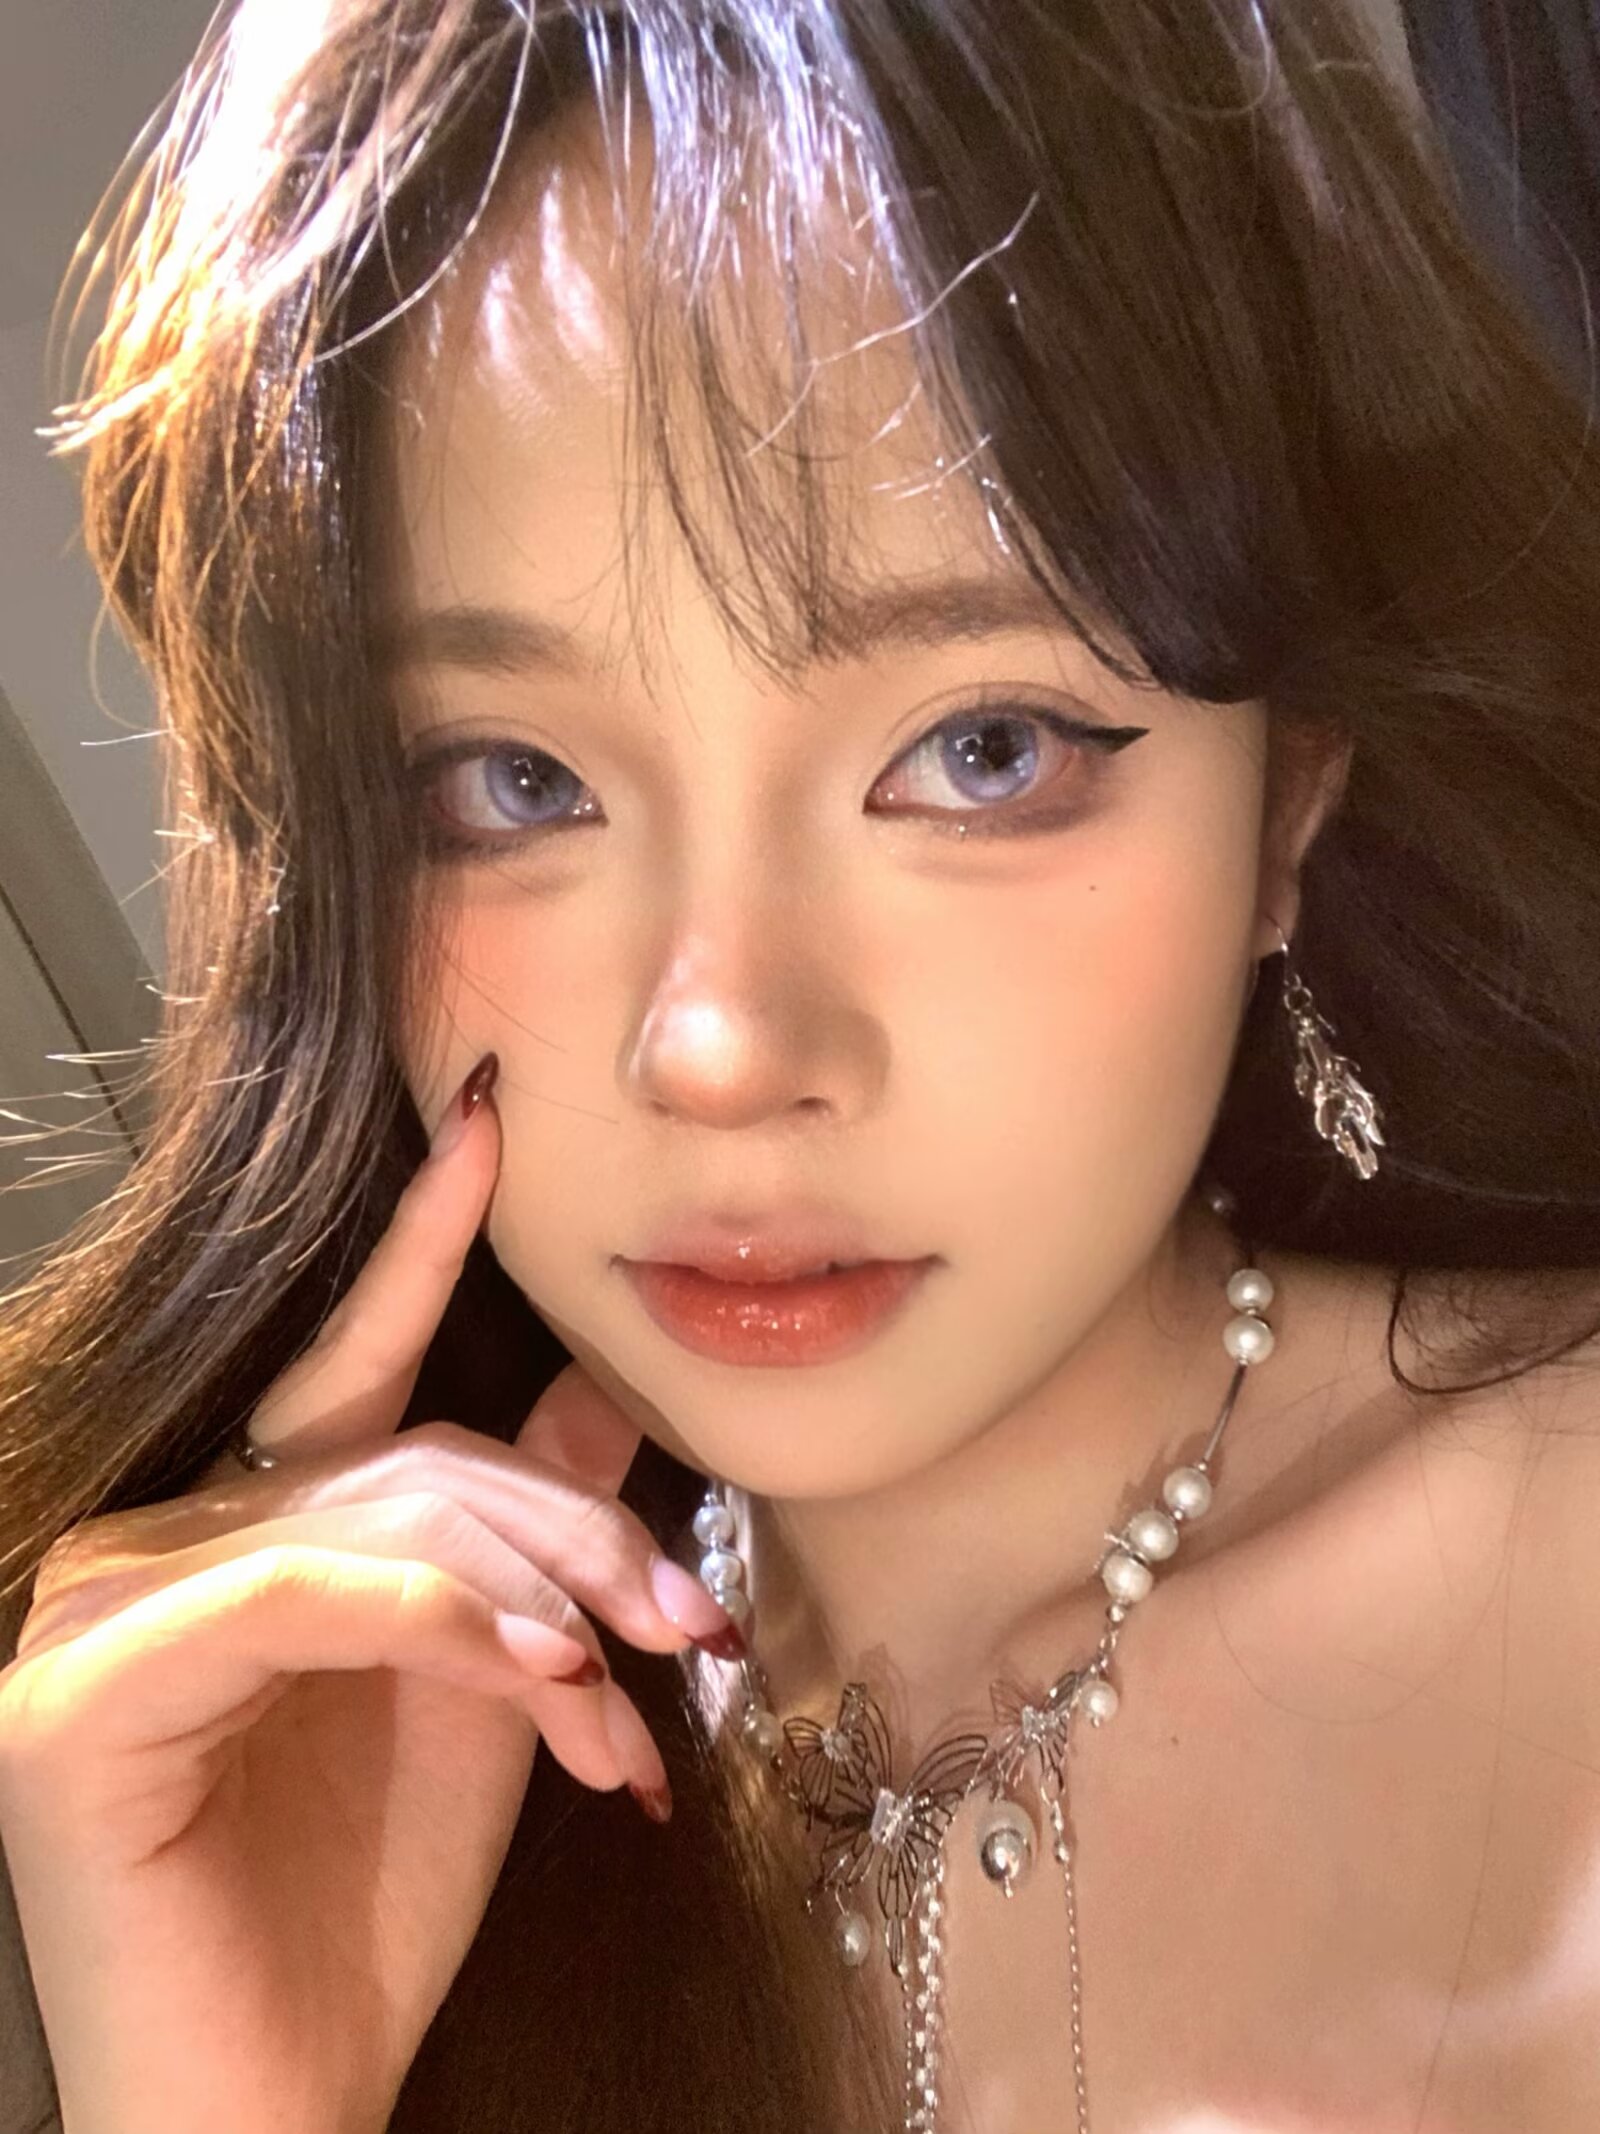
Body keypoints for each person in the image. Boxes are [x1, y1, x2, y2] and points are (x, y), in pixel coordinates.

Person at [2, 1, 1599, 2129]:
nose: (722, 1048)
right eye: (513, 778)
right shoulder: (336, 1770)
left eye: (981, 750)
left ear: (1285, 806)